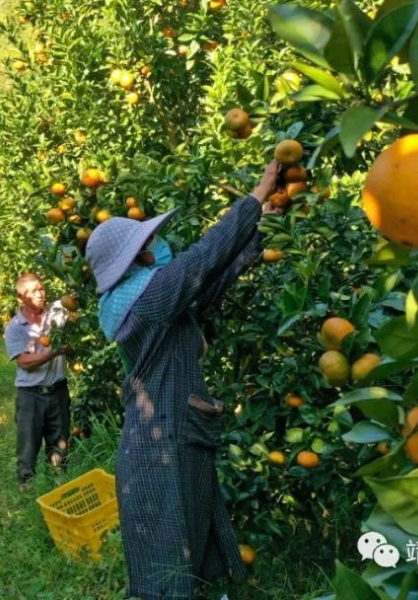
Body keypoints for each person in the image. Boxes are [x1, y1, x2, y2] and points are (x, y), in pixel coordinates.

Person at [83, 162, 283, 600]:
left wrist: (260, 230)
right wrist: (255, 195)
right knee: (166, 561)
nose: (156, 244)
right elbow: (201, 258)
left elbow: (210, 283)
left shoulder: (149, 303)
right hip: (161, 445)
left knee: (189, 536)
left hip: (174, 434)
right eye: (148, 242)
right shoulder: (148, 301)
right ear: (138, 259)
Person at [3, 273, 72, 490]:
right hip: (30, 395)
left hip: (58, 390)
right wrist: (54, 353)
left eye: (41, 288)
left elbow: (75, 301)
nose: (39, 294)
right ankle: (26, 488)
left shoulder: (57, 312)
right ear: (21, 297)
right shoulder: (15, 327)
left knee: (60, 442)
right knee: (28, 446)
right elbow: (24, 362)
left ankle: (58, 485)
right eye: (32, 291)